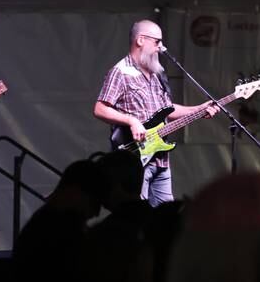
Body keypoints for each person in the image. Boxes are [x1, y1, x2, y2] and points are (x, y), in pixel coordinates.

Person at [93, 19, 219, 206]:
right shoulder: (121, 72)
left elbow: (168, 110)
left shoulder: (156, 74)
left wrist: (199, 108)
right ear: (141, 40)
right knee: (136, 215)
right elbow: (100, 108)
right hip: (135, 160)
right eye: (157, 41)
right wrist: (131, 121)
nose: (161, 47)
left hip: (161, 159)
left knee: (164, 219)